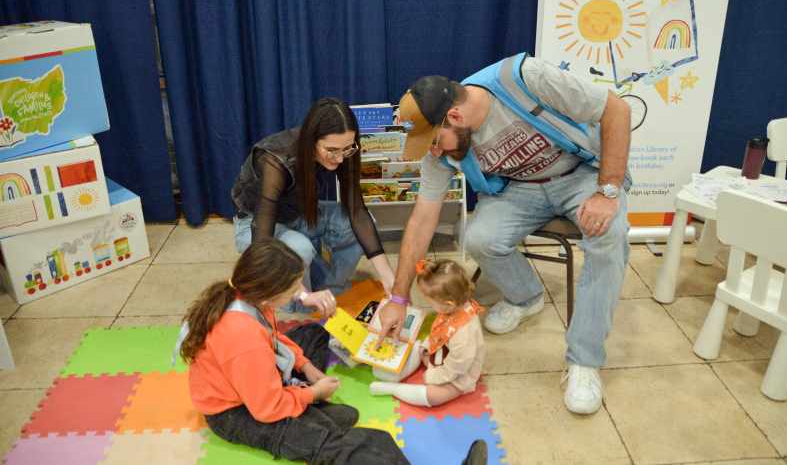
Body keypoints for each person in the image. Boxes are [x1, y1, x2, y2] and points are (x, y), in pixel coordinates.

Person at [376, 52, 632, 415]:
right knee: (480, 237)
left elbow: (617, 111)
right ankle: (527, 298)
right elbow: (421, 220)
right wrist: (399, 299)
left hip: (582, 175)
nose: (435, 152)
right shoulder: (441, 150)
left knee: (609, 236)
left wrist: (607, 193)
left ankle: (585, 362)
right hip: (521, 189)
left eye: (436, 140)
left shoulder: (526, 78)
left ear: (455, 116)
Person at [176, 238, 488, 465]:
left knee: (313, 332)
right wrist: (312, 394)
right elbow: (265, 408)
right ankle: (317, 420)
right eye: (293, 290)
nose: (298, 295)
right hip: (238, 412)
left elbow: (273, 340)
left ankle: (312, 412)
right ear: (269, 291)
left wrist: (306, 367)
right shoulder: (241, 336)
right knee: (352, 443)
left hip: (255, 380)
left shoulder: (247, 296)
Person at [231, 97, 395, 316]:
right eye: (332, 150)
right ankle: (299, 309)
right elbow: (263, 234)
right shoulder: (274, 161)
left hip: (299, 212)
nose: (339, 158)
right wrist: (301, 294)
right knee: (299, 247)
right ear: (311, 140)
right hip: (254, 225)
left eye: (347, 149)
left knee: (363, 224)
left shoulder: (344, 151)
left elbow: (357, 211)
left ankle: (329, 293)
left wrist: (387, 276)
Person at [370, 259, 485, 407]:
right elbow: (439, 330)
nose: (431, 307)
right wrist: (427, 345)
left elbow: (455, 368)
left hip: (459, 376)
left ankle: (393, 389)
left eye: (431, 304)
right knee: (418, 348)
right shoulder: (453, 308)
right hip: (441, 355)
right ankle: (395, 373)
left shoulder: (464, 335)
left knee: (433, 396)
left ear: (447, 304)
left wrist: (432, 376)